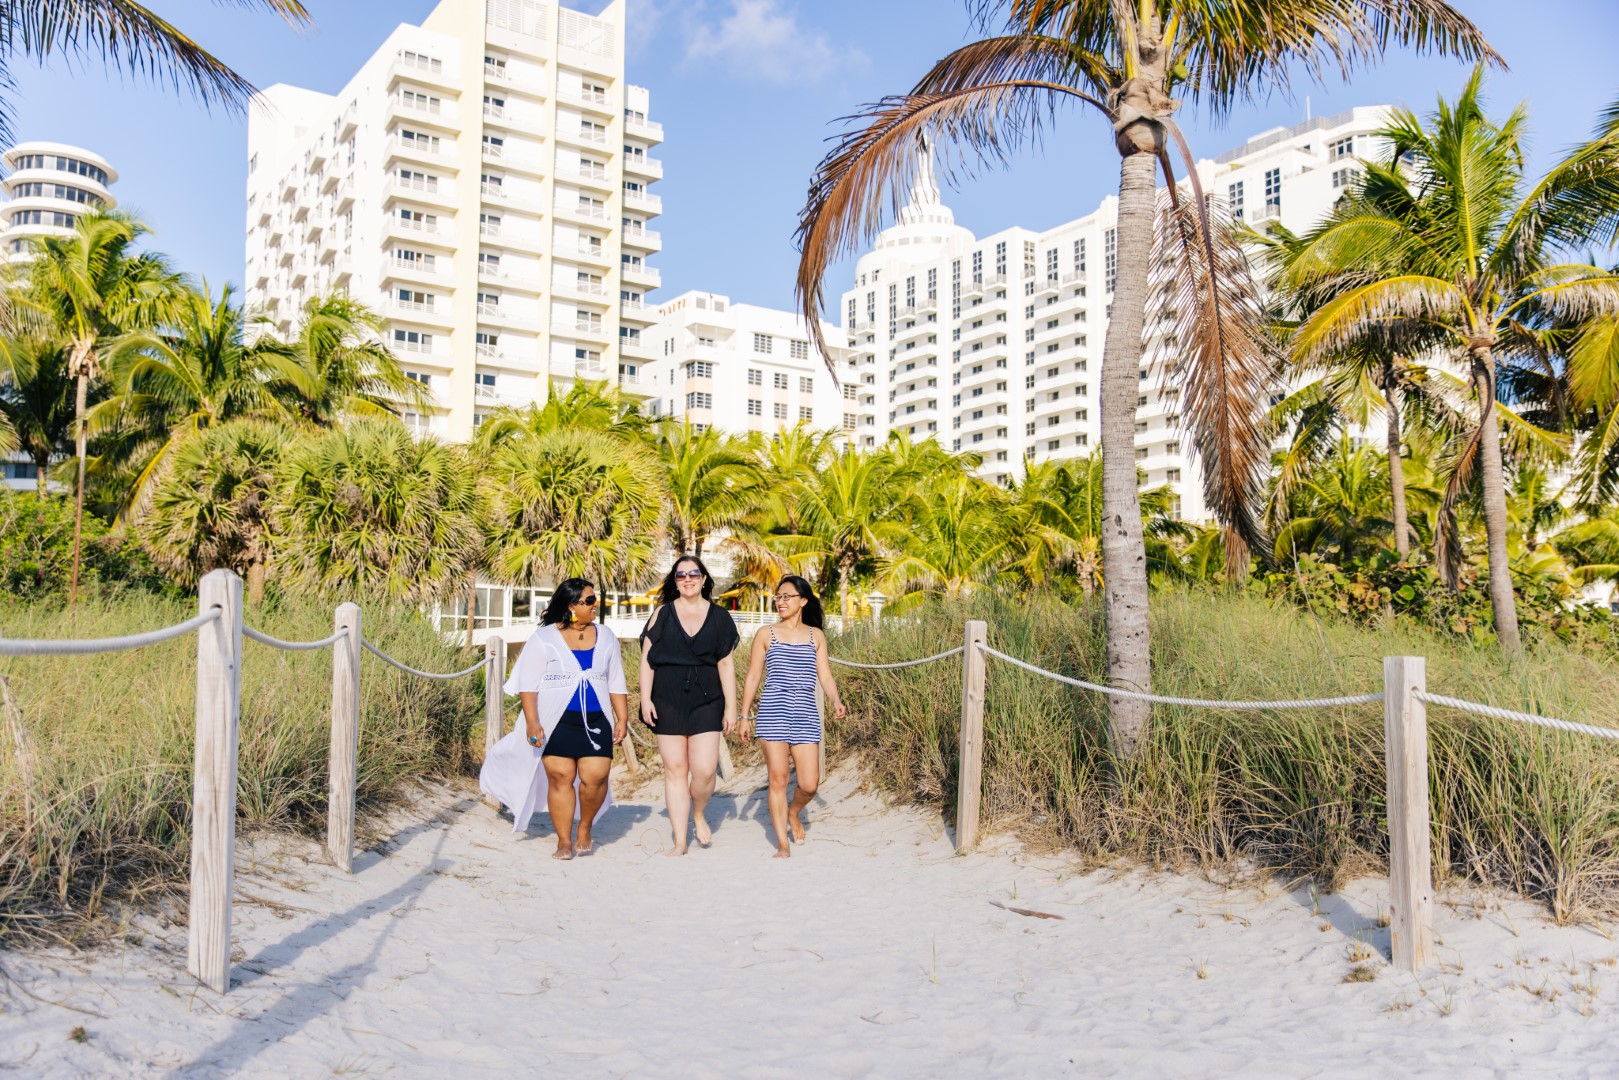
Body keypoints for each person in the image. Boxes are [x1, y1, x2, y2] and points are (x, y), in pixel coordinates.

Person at [480, 578, 628, 859]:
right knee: (561, 777)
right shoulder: (544, 638)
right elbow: (528, 685)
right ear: (571, 606)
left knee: (595, 777)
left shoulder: (607, 636)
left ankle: (584, 826)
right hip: (555, 721)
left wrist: (622, 718)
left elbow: (616, 681)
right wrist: (533, 722)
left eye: (595, 599)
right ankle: (563, 840)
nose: (595, 605)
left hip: (596, 720)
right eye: (589, 601)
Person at [739, 575, 845, 858]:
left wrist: (836, 700)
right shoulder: (766, 634)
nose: (781, 601)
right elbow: (752, 677)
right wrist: (744, 715)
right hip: (773, 712)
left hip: (806, 714)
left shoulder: (816, 636)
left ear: (803, 601)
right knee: (778, 778)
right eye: (778, 596)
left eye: (787, 596)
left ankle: (793, 812)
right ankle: (783, 845)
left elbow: (825, 674)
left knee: (810, 783)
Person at [639, 554, 739, 855]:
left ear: (704, 579)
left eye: (693, 574)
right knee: (676, 768)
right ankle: (680, 841)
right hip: (666, 698)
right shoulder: (662, 614)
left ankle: (699, 812)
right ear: (675, 581)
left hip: (707, 700)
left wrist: (732, 708)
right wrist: (645, 699)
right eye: (681, 575)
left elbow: (726, 665)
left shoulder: (720, 617)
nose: (687, 579)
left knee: (706, 770)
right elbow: (647, 661)